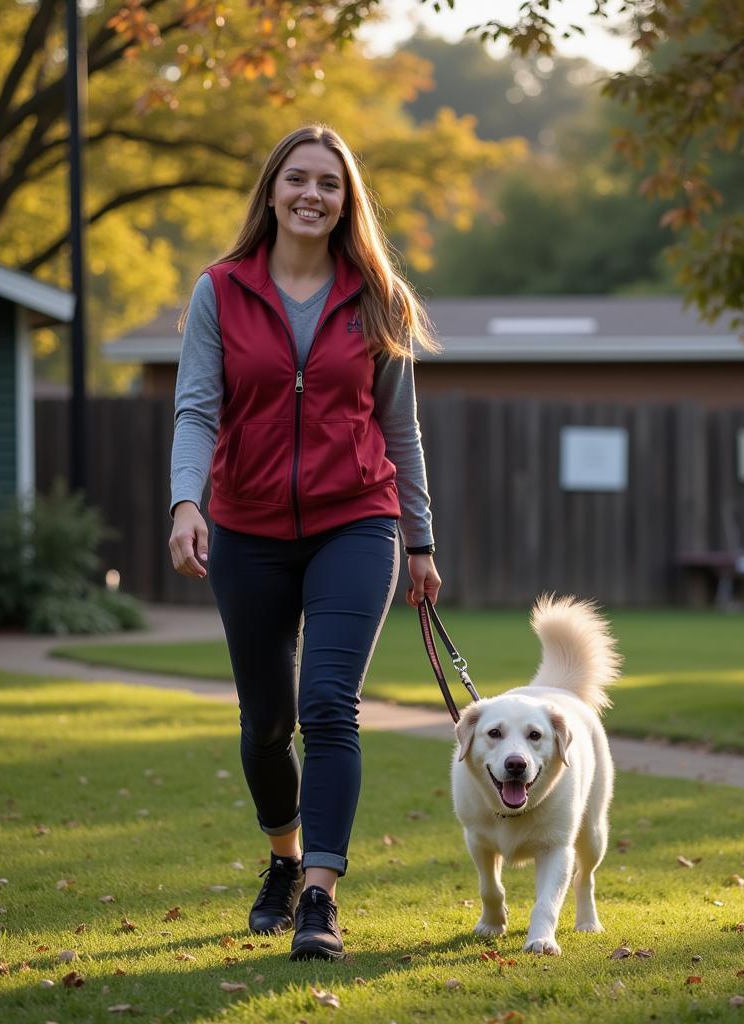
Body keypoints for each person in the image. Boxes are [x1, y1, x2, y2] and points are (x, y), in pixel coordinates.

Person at [167, 123, 441, 961]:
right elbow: (196, 408)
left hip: (356, 520)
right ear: (273, 191)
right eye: (297, 179)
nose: (312, 194)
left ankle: (320, 895)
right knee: (264, 722)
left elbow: (402, 427)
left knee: (328, 704)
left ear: (345, 200)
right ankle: (284, 860)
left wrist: (420, 541)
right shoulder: (221, 290)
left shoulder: (378, 297)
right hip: (246, 528)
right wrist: (188, 503)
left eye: (329, 182)